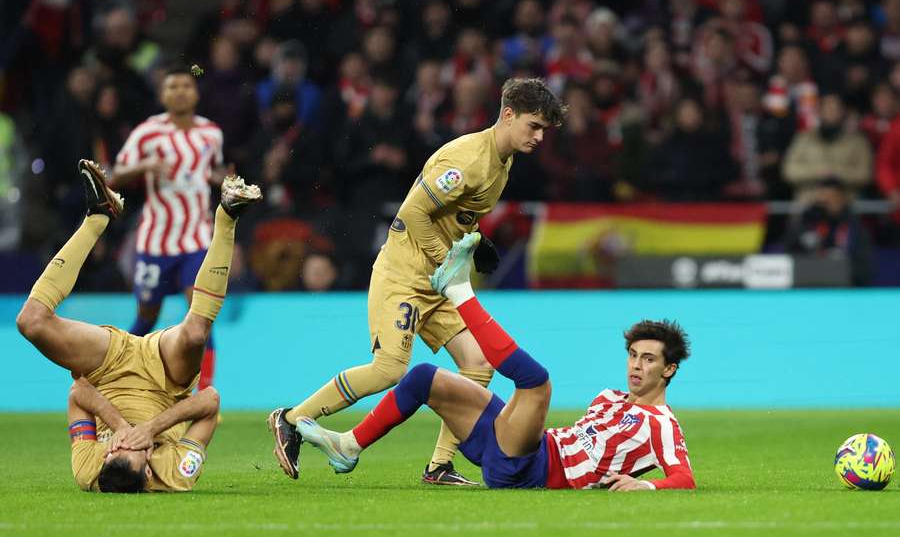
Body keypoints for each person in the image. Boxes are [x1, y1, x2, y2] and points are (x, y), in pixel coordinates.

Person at [268, 78, 567, 485]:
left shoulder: (503, 159)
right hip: (406, 275)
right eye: (533, 126)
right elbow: (412, 214)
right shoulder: (465, 160)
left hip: (439, 280)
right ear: (508, 115)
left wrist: (476, 242)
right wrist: (449, 260)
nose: (538, 136)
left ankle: (440, 464)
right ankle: (290, 418)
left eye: (544, 130)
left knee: (478, 364)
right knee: (389, 369)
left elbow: (454, 215)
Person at [298, 233, 696, 491]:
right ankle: (349, 446)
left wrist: (644, 486)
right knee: (423, 377)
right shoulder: (609, 397)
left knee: (537, 381)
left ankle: (459, 291)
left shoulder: (661, 424)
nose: (636, 365)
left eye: (648, 359)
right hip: (513, 449)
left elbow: (684, 477)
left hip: (534, 470)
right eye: (632, 356)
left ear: (669, 369)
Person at [16, 160, 261, 492]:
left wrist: (117, 425)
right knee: (195, 333)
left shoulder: (89, 469)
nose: (121, 443)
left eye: (114, 448)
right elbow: (210, 401)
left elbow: (78, 393)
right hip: (166, 380)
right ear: (148, 472)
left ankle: (98, 215)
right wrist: (151, 428)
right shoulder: (177, 474)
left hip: (107, 368)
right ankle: (227, 215)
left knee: (30, 322)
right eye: (132, 449)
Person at [110, 65, 229, 392]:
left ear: (196, 93)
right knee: (147, 315)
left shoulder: (211, 133)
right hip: (155, 240)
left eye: (185, 86)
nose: (179, 91)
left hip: (196, 239)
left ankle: (205, 393)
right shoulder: (148, 132)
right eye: (172, 86)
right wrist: (144, 166)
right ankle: (120, 378)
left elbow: (214, 171)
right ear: (163, 94)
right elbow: (113, 176)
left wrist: (225, 181)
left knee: (201, 317)